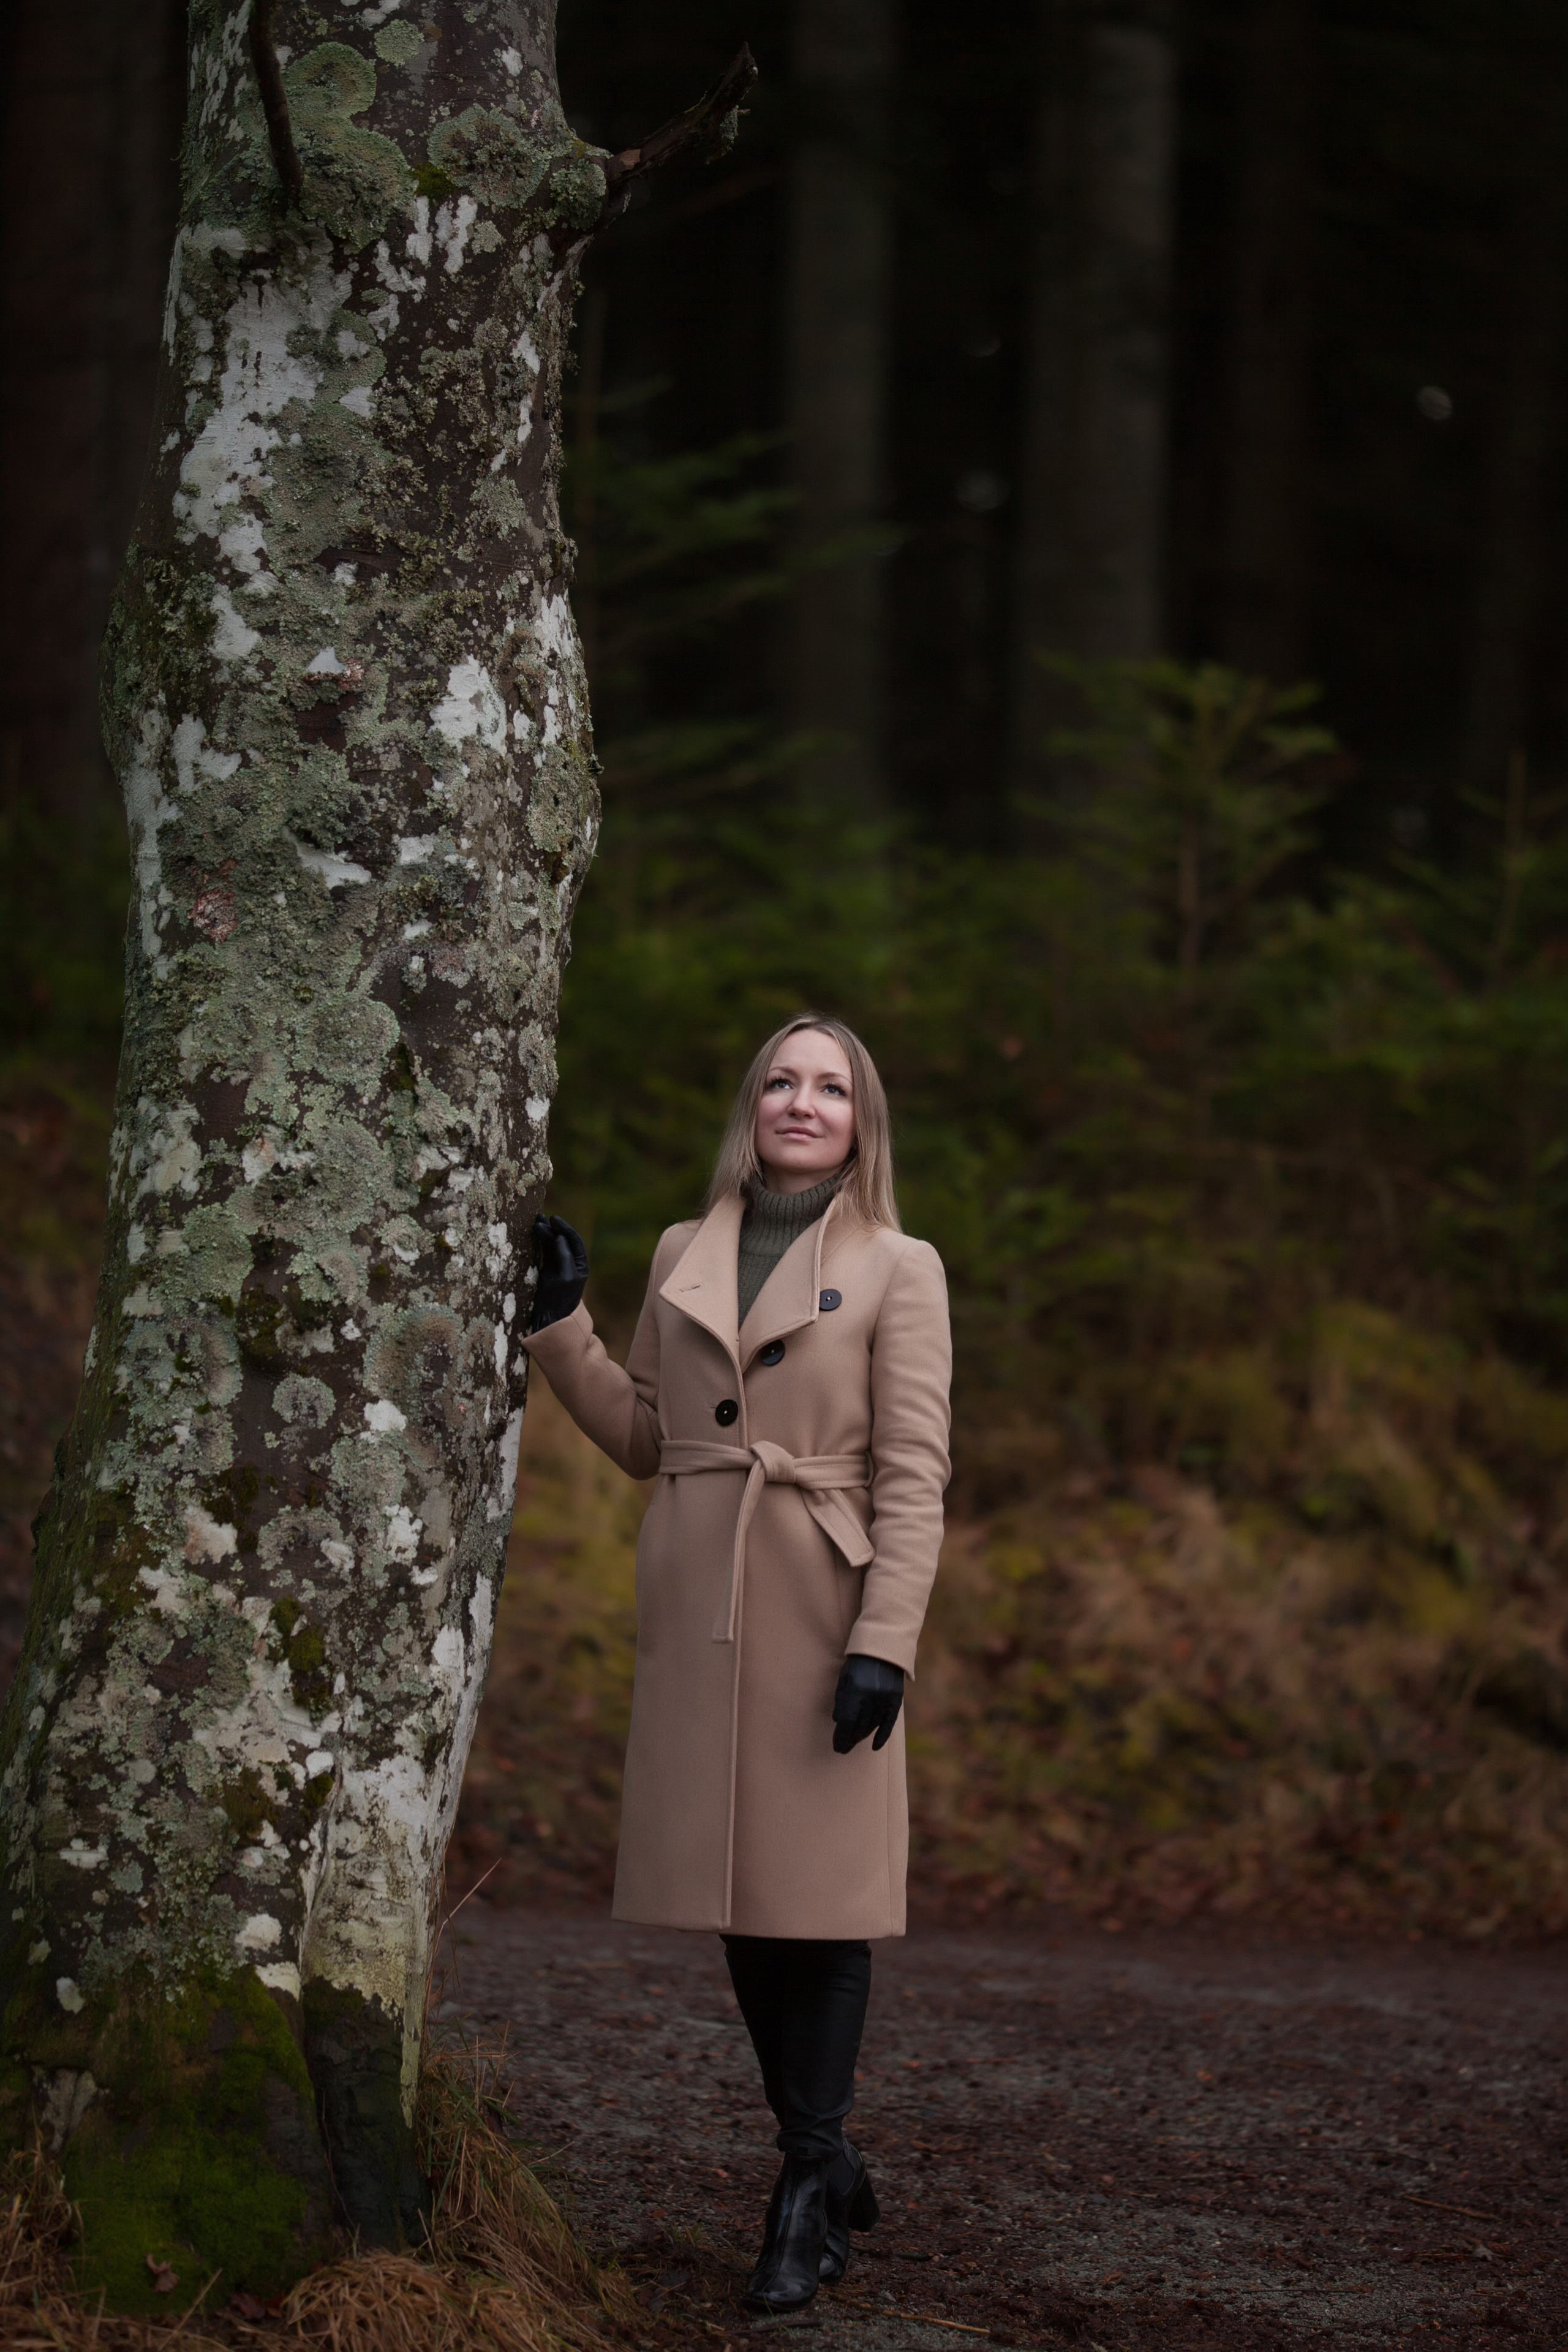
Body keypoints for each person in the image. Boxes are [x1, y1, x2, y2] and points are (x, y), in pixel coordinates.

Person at [521, 1015, 952, 2313]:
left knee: (813, 1900)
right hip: (700, 1597)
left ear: (861, 1121)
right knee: (735, 1890)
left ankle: (806, 2179)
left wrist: (884, 1641)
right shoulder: (682, 1250)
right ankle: (824, 2158)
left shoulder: (899, 1266)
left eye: (830, 1087)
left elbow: (914, 1475)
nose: (802, 1102)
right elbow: (649, 1438)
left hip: (821, 1599)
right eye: (780, 1080)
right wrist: (558, 1329)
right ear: (749, 1106)